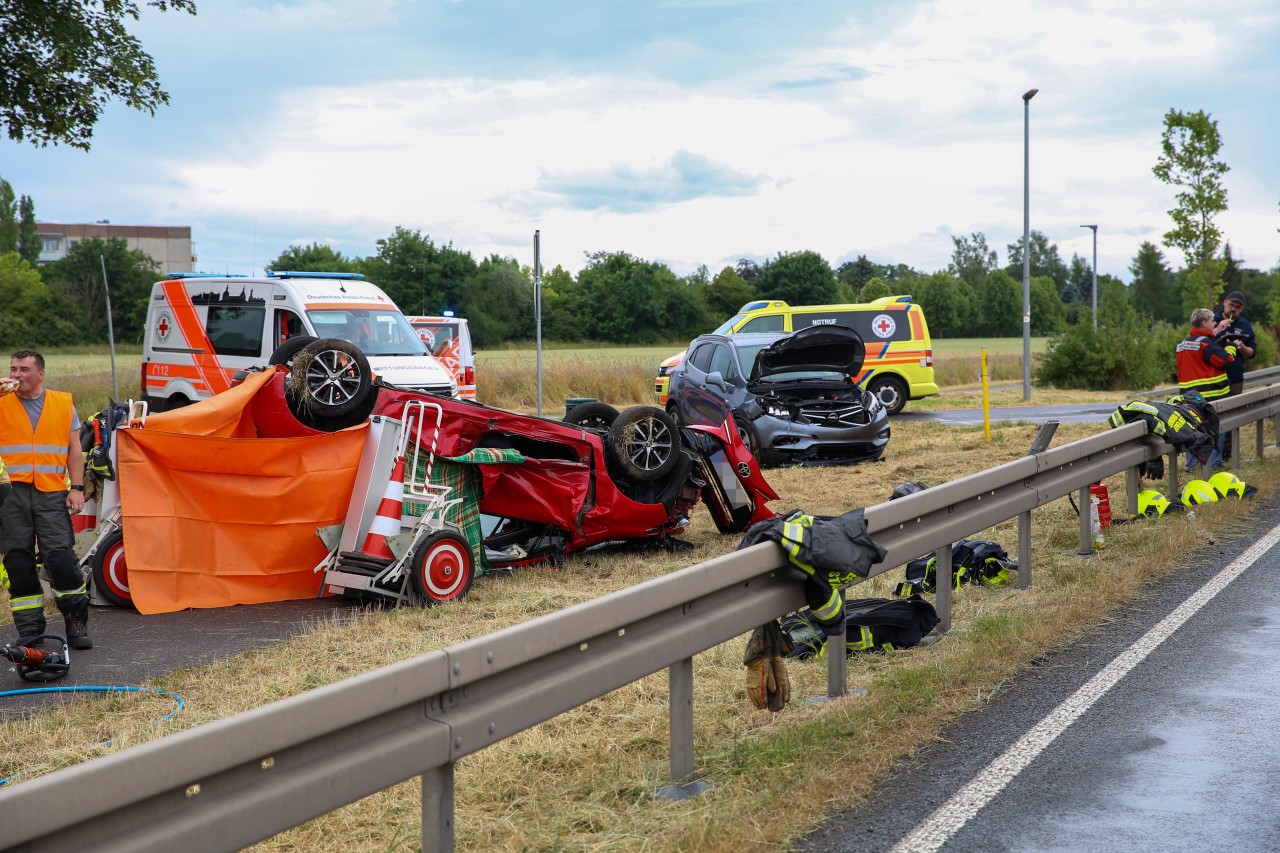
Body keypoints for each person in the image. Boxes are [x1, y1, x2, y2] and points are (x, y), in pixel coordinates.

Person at [0, 350, 92, 649]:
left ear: (40, 374)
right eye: (13, 369)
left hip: (52, 492)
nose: (16, 375)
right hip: (11, 496)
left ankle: (76, 625)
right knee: (18, 561)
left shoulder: (63, 403)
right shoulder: (1, 401)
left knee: (62, 559)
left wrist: (77, 487)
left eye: (24, 369)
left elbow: (74, 450)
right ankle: (30, 631)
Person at [1176, 308, 1233, 470]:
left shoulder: (1183, 344)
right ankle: (1213, 464)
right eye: (1212, 320)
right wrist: (1231, 346)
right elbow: (1224, 359)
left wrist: (1218, 332)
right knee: (1215, 429)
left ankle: (1192, 466)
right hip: (1210, 395)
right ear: (1204, 323)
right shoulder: (1205, 344)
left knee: (1193, 429)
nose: (1214, 322)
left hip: (1188, 396)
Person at [1212, 290, 1255, 462]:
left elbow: (1252, 353)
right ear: (1224, 303)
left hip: (1234, 377)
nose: (1233, 310)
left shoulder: (1245, 326)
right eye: (1231, 305)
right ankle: (1212, 454)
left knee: (1232, 416)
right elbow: (1201, 342)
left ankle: (1227, 454)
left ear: (1241, 309)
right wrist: (1219, 329)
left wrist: (1242, 347)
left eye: (1237, 307)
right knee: (1214, 416)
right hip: (1213, 378)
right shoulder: (1211, 320)